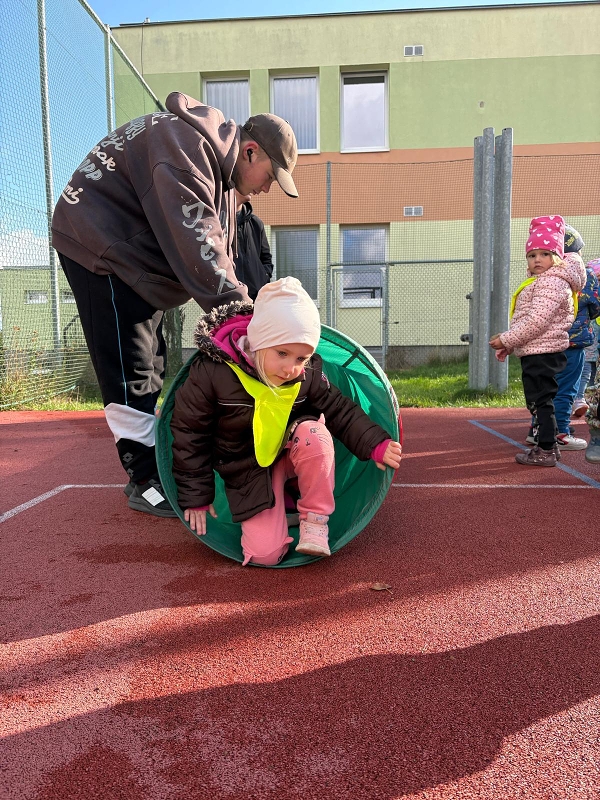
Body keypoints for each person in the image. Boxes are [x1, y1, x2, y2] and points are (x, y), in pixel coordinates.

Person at [51, 92, 298, 517]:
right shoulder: (184, 148)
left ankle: (156, 464)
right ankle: (144, 482)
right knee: (132, 367)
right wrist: (244, 323)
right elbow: (200, 243)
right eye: (270, 175)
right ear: (250, 150)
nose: (268, 187)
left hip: (136, 256)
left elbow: (228, 258)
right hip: (101, 246)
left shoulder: (222, 183)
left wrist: (261, 310)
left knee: (154, 362)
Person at [169, 276, 402, 566]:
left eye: (302, 357)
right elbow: (190, 434)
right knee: (265, 556)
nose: (291, 367)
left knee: (314, 434)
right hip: (247, 468)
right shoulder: (213, 373)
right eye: (282, 353)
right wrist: (196, 495)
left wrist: (375, 444)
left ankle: (314, 519)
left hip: (295, 449)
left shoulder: (307, 374)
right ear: (258, 341)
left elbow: (341, 409)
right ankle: (285, 502)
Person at [489, 215, 586, 467]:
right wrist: (511, 344)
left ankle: (545, 450)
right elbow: (529, 320)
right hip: (537, 349)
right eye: (532, 255)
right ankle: (550, 447)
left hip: (542, 352)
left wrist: (505, 339)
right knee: (540, 402)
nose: (537, 260)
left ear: (556, 257)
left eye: (544, 254)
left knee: (541, 403)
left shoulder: (551, 283)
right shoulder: (545, 281)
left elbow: (536, 322)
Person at [524, 224, 600, 449]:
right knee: (567, 389)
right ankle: (561, 433)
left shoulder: (541, 275)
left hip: (544, 344)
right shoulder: (583, 277)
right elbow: (596, 305)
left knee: (545, 389)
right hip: (573, 343)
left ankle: (537, 430)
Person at [234, 189, 273, 300]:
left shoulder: (256, 223)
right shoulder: (218, 221)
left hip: (256, 299)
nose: (252, 188)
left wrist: (262, 278)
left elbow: (266, 259)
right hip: (229, 300)